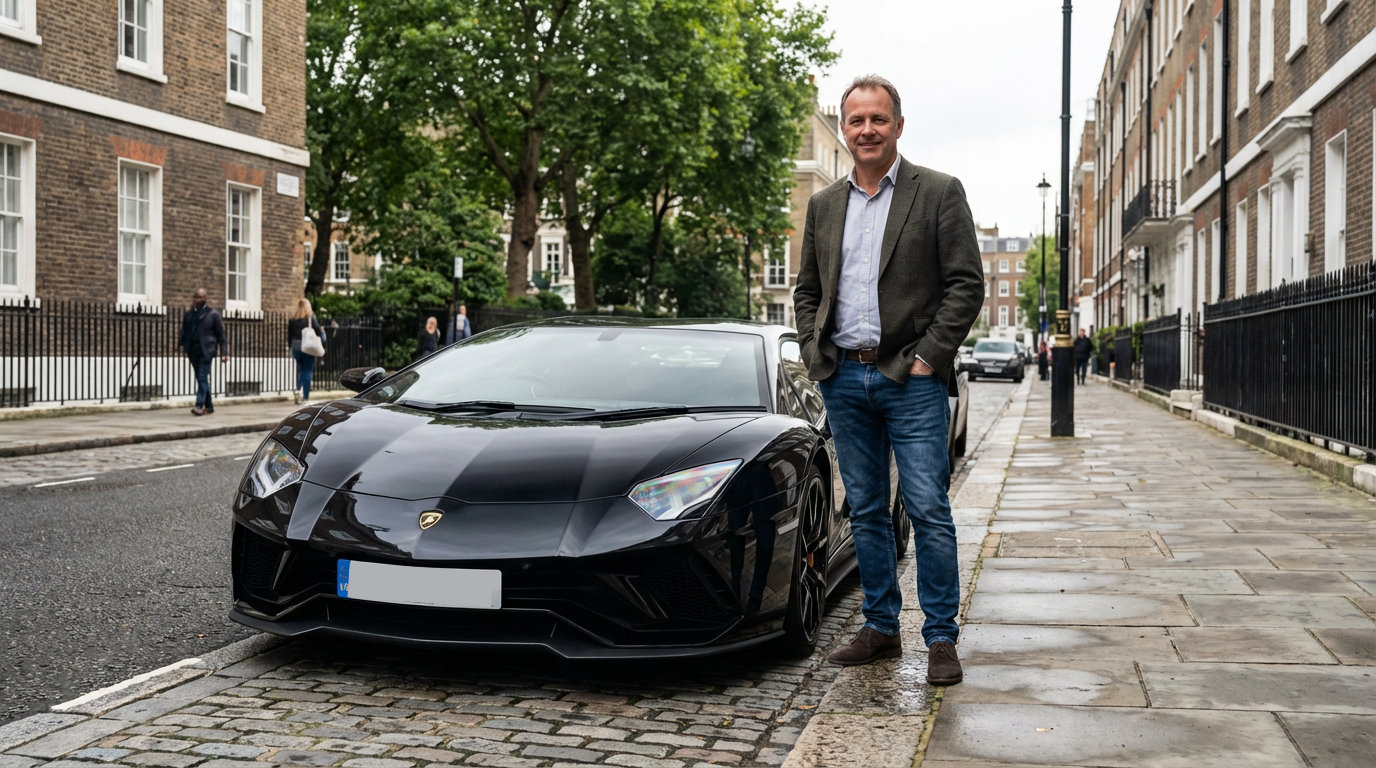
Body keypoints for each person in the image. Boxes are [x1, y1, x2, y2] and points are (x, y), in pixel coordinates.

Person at [793, 75, 983, 686]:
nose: (866, 130)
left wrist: (928, 356)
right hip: (844, 378)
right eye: (856, 121)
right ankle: (880, 627)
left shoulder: (938, 192)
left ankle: (940, 638)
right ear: (844, 130)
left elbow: (965, 284)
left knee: (927, 508)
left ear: (898, 125)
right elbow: (807, 292)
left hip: (911, 379)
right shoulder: (824, 206)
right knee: (867, 508)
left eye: (878, 119)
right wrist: (815, 353)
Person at [178, 288, 227, 416]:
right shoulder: (189, 314)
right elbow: (184, 331)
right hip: (193, 351)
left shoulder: (213, 314)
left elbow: (221, 335)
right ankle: (209, 406)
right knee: (201, 379)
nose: (198, 299)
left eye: (200, 297)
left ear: (205, 298)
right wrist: (183, 345)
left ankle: (199, 405)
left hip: (207, 351)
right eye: (196, 297)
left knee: (201, 376)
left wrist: (224, 353)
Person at [288, 298, 325, 404]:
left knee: (299, 370)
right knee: (307, 370)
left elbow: (289, 336)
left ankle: (298, 389)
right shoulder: (310, 318)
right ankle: (304, 395)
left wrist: (289, 347)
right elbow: (318, 331)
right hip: (307, 347)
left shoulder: (293, 320)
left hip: (295, 347)